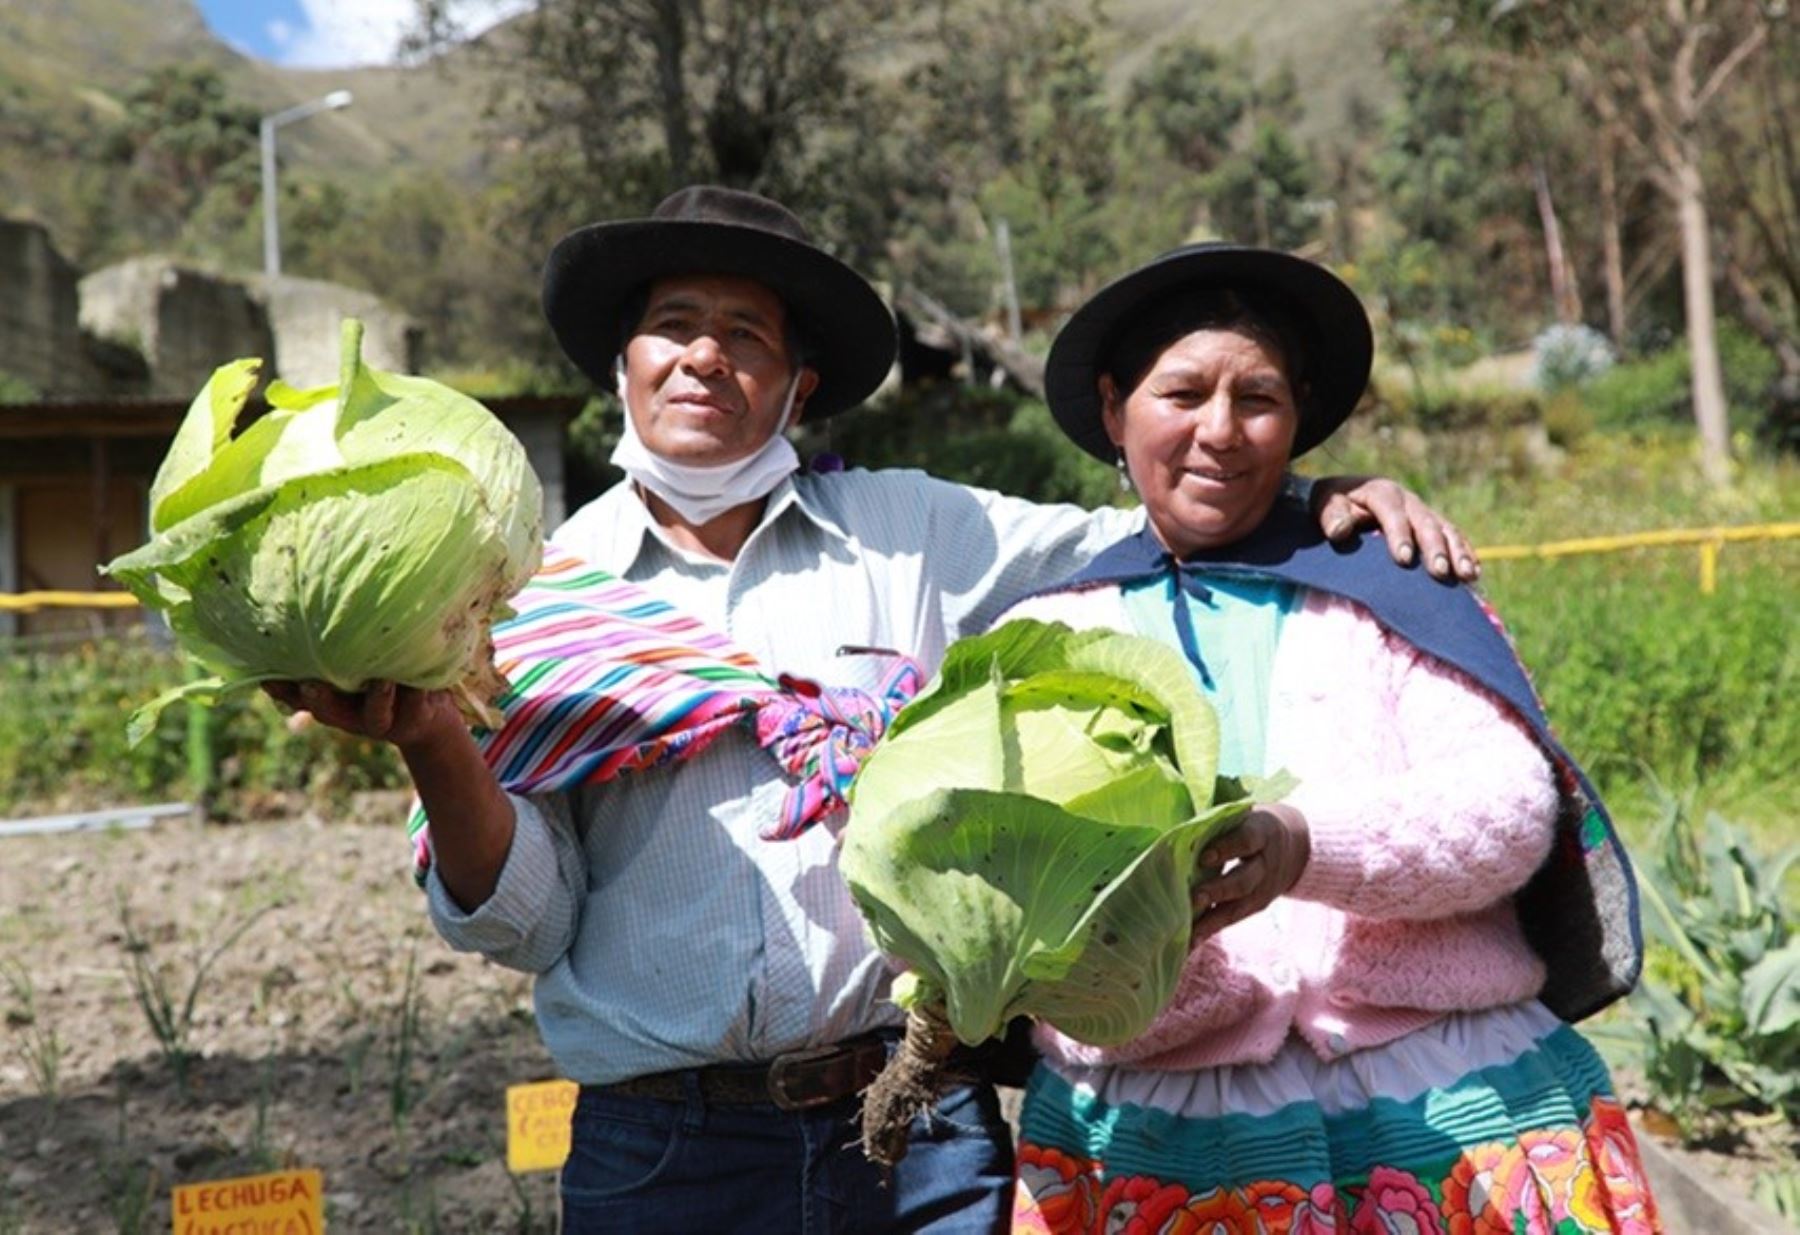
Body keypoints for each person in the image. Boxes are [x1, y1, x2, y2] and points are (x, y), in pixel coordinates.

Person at [269, 187, 1482, 1233]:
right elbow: (528, 923)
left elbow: (1164, 522)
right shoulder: (535, 597)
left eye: (746, 334)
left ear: (797, 384)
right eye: (673, 327)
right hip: (661, 1151)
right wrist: (433, 738)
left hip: (917, 1122)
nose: (705, 356)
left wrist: (1333, 495)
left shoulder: (918, 532)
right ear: (621, 367)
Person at [1003, 242, 1657, 1233]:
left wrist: (1303, 847)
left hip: (1457, 1110)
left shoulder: (1393, 588)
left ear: (1298, 413)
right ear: (1112, 408)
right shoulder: (1044, 638)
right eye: (1181, 392)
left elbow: (1507, 808)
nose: (1219, 431)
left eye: (1256, 397)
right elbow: (1020, 905)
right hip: (1152, 1140)